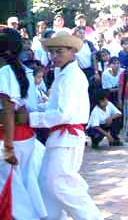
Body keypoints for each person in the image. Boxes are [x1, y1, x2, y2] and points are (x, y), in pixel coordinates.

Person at [24, 31, 104, 219]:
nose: (54, 56)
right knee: (47, 183)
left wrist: (31, 118)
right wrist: (34, 110)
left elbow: (63, 114)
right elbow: (55, 106)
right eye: (52, 52)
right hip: (60, 137)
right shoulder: (63, 73)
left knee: (62, 185)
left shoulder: (72, 76)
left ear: (72, 51)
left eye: (59, 52)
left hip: (67, 137)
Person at [0, 28, 47, 220]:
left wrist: (8, 147)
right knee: (26, 182)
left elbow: (9, 111)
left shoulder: (4, 72)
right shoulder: (27, 71)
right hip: (26, 137)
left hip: (9, 139)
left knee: (10, 190)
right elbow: (24, 110)